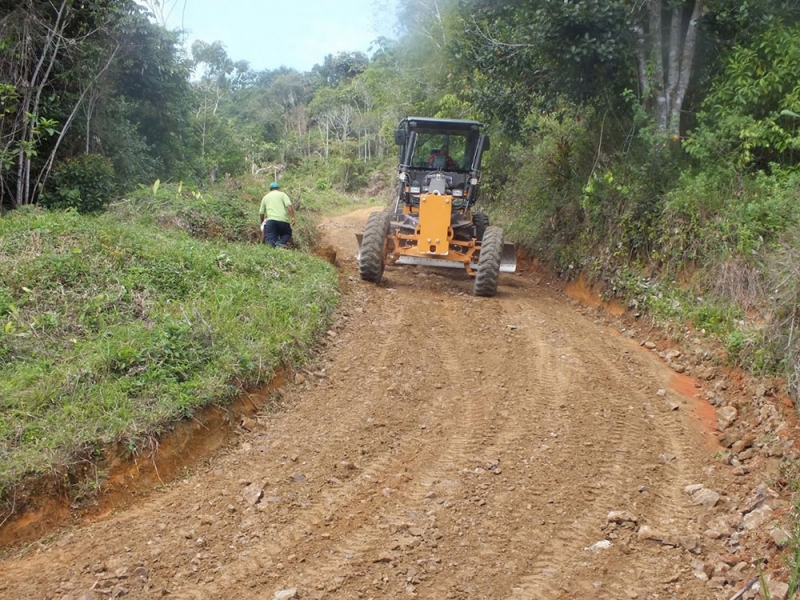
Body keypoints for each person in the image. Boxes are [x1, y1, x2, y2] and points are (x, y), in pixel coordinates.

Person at [259, 181, 296, 247]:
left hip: (271, 222)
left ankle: (272, 252)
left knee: (270, 242)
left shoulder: (265, 197)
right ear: (278, 188)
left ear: (270, 189)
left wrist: (262, 222)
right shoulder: (283, 195)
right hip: (283, 221)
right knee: (287, 234)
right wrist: (293, 217)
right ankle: (280, 243)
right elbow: (289, 206)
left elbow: (261, 213)